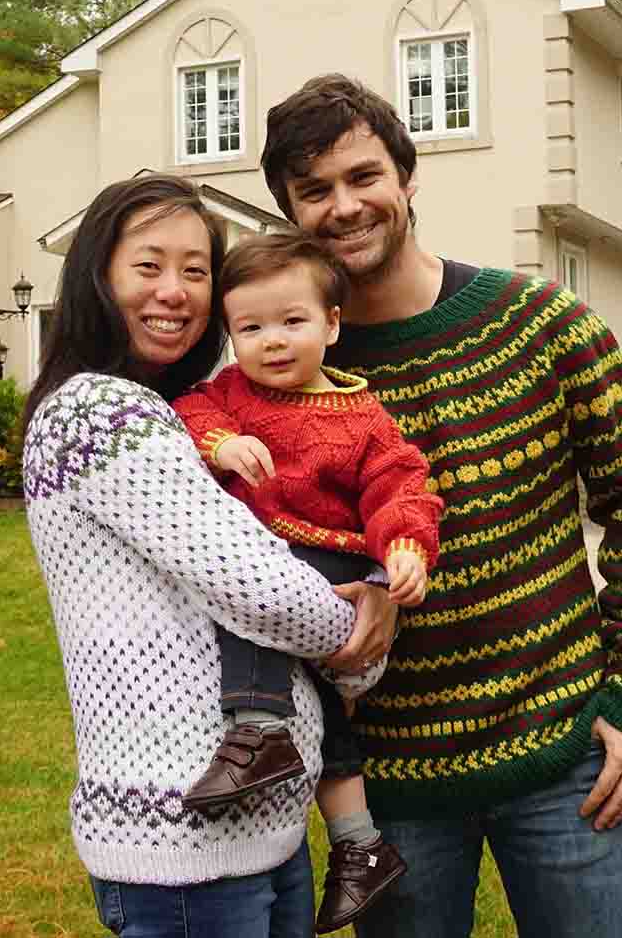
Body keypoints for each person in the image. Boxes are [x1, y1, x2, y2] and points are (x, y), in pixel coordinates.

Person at [259, 75, 622, 938]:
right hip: (389, 786)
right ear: (289, 212)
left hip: (566, 760)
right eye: (314, 190)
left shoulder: (543, 323)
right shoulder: (281, 381)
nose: (344, 207)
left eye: (363, 176)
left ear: (408, 178)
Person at [20, 173, 374, 938]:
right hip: (182, 846)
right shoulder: (98, 413)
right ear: (97, 276)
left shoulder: (181, 415)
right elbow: (261, 587)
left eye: (196, 270)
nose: (174, 292)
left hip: (261, 830)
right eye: (148, 266)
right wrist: (363, 635)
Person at [173, 231, 443, 934]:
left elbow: (401, 489)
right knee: (322, 710)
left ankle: (258, 730)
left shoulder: (363, 420)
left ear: (332, 324)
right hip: (268, 562)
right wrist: (223, 444)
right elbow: (192, 411)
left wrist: (405, 551)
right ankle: (359, 844)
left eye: (292, 321)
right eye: (250, 329)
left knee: (256, 592)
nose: (272, 341)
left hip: (333, 567)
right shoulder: (231, 394)